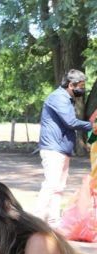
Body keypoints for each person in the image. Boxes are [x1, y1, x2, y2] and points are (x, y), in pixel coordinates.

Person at [36, 69, 97, 228]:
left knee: (58, 187)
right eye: (81, 86)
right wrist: (92, 126)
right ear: (71, 85)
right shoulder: (59, 98)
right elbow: (70, 122)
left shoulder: (66, 98)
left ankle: (53, 221)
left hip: (61, 148)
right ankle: (37, 221)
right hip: (53, 148)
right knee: (51, 185)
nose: (82, 90)